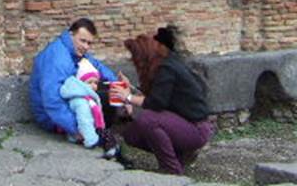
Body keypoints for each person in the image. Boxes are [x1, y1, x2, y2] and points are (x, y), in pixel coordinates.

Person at [120, 25, 213, 176]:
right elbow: (157, 95)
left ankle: (171, 168)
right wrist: (130, 88)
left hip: (197, 129)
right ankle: (179, 155)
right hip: (184, 124)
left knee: (148, 119)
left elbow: (156, 103)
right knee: (131, 133)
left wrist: (128, 97)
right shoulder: (166, 65)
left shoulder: (167, 68)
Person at [29, 18, 121, 143]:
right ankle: (96, 134)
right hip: (49, 117)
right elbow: (52, 102)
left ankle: (101, 130)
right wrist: (76, 129)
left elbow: (97, 66)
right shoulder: (58, 59)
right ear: (71, 34)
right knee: (102, 99)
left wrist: (118, 85)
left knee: (108, 92)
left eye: (89, 43)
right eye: (82, 41)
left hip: (65, 103)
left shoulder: (72, 49)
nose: (86, 47)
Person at [60, 58, 106, 148]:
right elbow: (84, 121)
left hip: (86, 132)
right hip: (82, 135)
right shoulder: (81, 101)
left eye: (96, 83)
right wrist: (91, 139)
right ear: (80, 83)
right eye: (89, 82)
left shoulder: (88, 98)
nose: (93, 86)